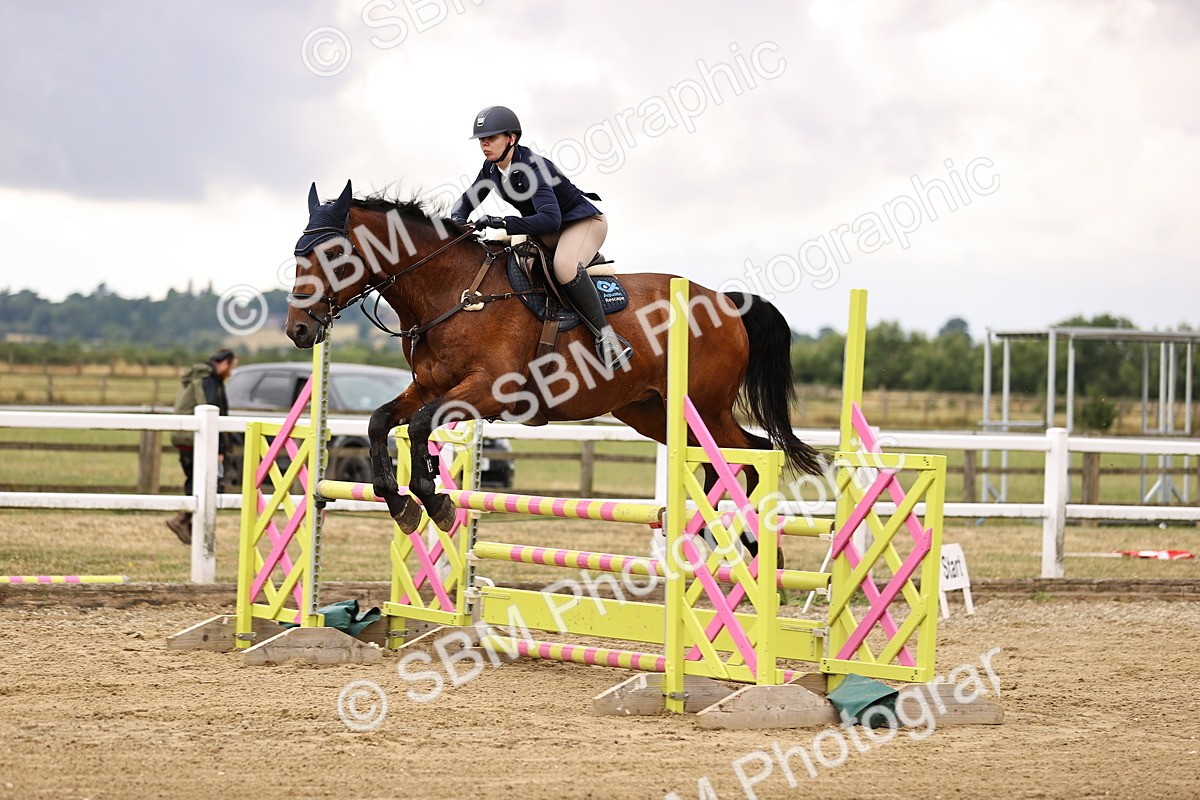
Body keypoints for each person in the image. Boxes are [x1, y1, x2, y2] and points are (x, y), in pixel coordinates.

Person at [450, 105, 633, 369]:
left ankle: (608, 342)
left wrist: (500, 221)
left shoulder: (532, 168)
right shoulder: (491, 170)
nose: (484, 144)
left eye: (491, 138)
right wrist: (456, 223)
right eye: (481, 139)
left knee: (564, 267)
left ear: (511, 139)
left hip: (583, 223)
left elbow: (551, 218)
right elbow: (465, 202)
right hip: (548, 229)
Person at [166, 348, 237, 544]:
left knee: (197, 481)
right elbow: (212, 410)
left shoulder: (201, 378)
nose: (231, 372)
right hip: (196, 438)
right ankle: (183, 520)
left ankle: (191, 529)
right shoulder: (208, 381)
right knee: (203, 482)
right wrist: (219, 447)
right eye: (231, 367)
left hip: (187, 437)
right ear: (224, 363)